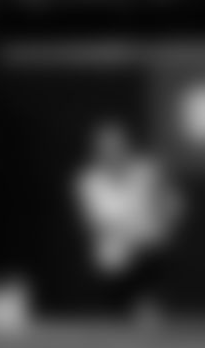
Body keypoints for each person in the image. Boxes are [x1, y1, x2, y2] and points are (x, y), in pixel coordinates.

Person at [75, 123, 183, 321]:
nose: (112, 153)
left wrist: (163, 224)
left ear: (127, 147)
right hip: (112, 259)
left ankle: (149, 311)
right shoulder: (88, 181)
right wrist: (124, 233)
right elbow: (93, 221)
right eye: (106, 148)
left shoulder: (148, 172)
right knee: (115, 314)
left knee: (148, 310)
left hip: (149, 253)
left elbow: (173, 204)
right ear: (97, 151)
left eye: (118, 147)